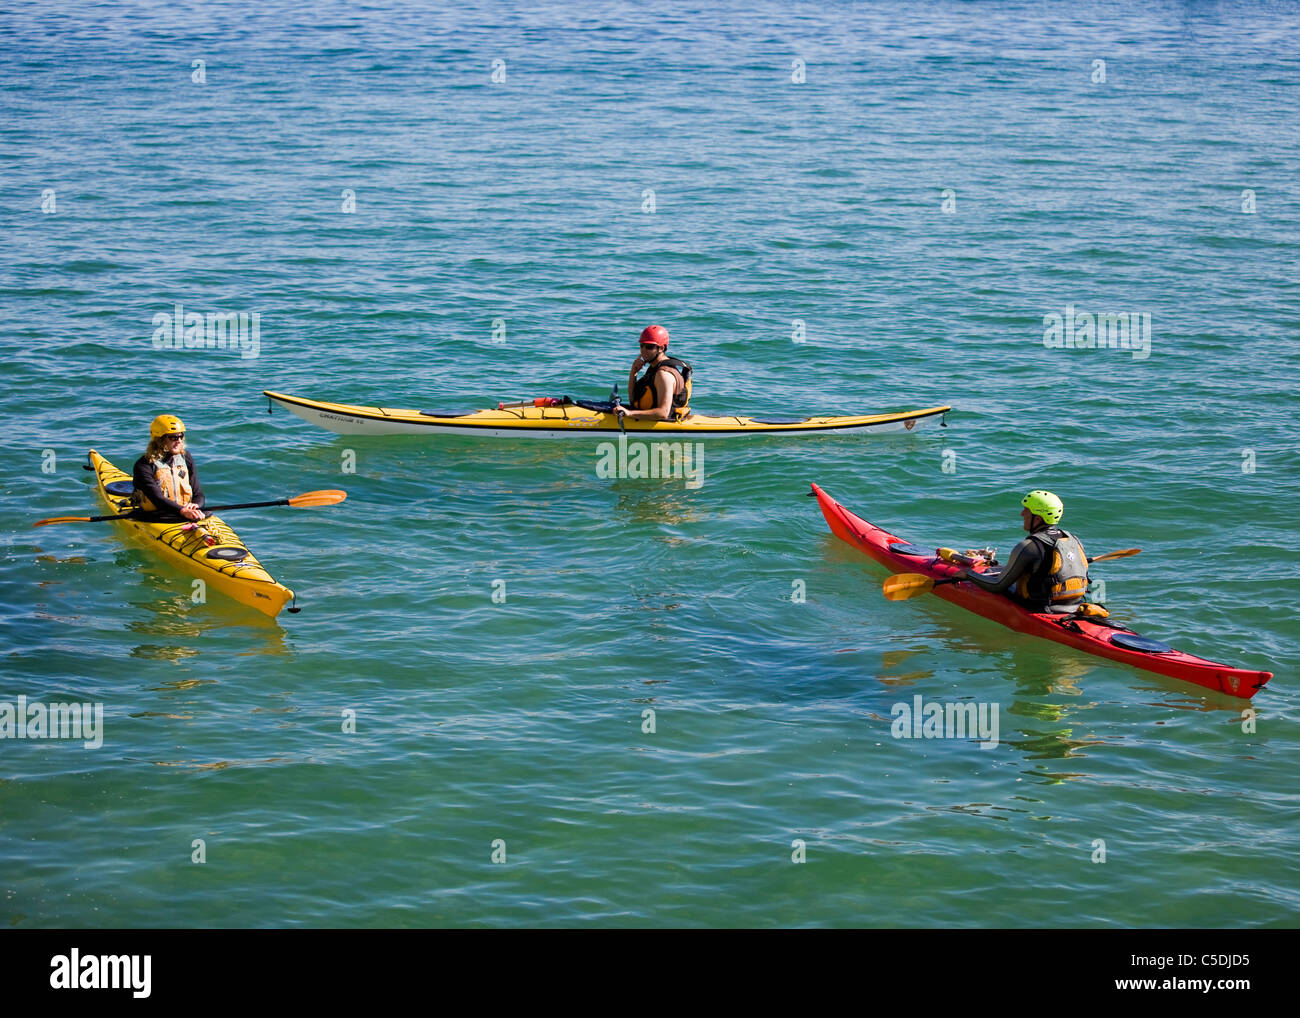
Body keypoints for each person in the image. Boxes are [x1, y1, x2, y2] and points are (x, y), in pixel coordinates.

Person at [957, 490, 1089, 611]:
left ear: (1037, 518)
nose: (1022, 514)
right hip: (1074, 605)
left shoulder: (1028, 547)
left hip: (1041, 607)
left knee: (995, 577)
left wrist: (968, 574)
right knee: (998, 571)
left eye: (1026, 510)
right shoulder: (1073, 540)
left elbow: (997, 586)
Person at [132, 415, 206, 521]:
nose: (179, 441)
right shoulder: (144, 465)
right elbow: (157, 498)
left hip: (185, 513)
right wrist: (182, 511)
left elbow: (198, 493)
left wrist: (196, 506)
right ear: (159, 440)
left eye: (181, 436)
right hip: (157, 516)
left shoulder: (186, 458)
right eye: (173, 437)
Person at [615, 325, 693, 423]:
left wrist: (630, 414)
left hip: (665, 423)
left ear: (661, 348)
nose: (643, 350)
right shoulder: (654, 367)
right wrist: (633, 373)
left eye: (649, 347)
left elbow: (663, 413)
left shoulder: (663, 374)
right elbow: (633, 401)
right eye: (642, 346)